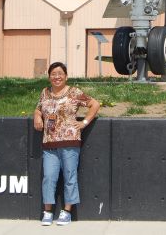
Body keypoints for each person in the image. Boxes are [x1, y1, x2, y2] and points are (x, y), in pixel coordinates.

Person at [33, 61, 100, 226]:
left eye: (60, 74)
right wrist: (37, 116)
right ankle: (48, 212)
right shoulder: (45, 92)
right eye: (53, 74)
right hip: (49, 143)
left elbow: (94, 104)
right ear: (49, 77)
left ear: (66, 76)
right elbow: (38, 108)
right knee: (49, 177)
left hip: (70, 142)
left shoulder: (74, 92)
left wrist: (84, 122)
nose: (57, 77)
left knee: (70, 176)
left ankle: (67, 212)